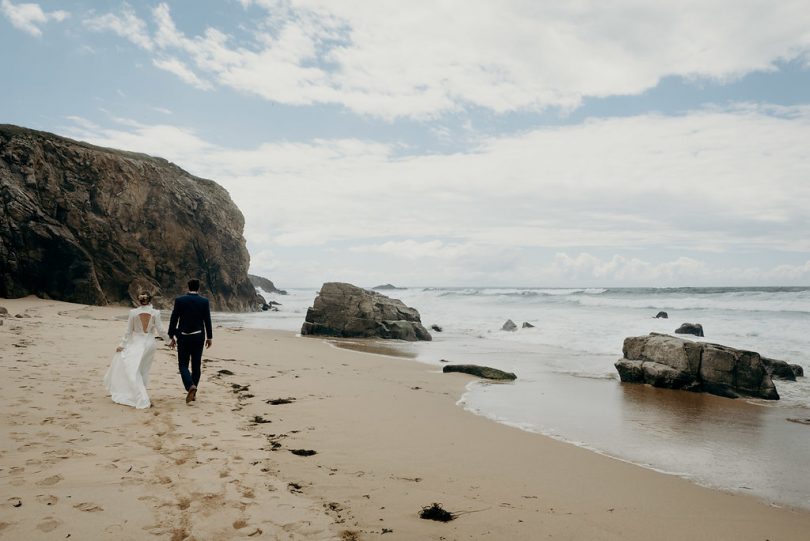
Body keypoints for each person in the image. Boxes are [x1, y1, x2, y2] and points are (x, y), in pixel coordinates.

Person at [104, 292, 169, 409]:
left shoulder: (133, 313)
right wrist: (169, 341)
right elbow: (161, 330)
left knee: (133, 368)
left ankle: (142, 396)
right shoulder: (155, 313)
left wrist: (122, 344)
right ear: (150, 300)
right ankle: (143, 395)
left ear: (139, 300)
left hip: (137, 342)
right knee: (144, 370)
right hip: (150, 343)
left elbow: (128, 331)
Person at [168, 278, 213, 404]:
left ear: (188, 287)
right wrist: (209, 337)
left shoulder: (180, 300)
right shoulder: (204, 301)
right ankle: (193, 392)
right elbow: (207, 320)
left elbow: (174, 318)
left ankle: (190, 386)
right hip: (198, 336)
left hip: (183, 337)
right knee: (196, 365)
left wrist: (171, 335)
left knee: (183, 364)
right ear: (198, 288)